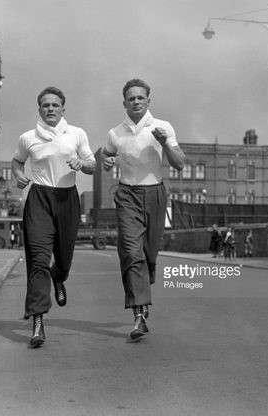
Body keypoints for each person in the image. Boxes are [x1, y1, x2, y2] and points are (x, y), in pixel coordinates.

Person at [101, 79, 186, 341]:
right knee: (129, 251)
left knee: (148, 253)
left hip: (155, 194)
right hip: (127, 194)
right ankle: (139, 315)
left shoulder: (163, 127)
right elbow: (104, 156)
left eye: (140, 98)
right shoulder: (116, 133)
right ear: (124, 102)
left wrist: (166, 143)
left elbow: (180, 163)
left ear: (149, 100)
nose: (136, 102)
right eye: (131, 98)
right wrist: (107, 161)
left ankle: (148, 272)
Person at [12, 86, 96, 348]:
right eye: (45, 105)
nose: (50, 109)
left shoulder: (76, 134)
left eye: (55, 105)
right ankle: (37, 321)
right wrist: (18, 175)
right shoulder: (28, 137)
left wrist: (82, 165)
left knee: (64, 257)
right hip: (38, 199)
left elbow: (92, 165)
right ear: (39, 109)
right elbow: (17, 162)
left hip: (67, 199)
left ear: (63, 108)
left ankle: (58, 276)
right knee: (38, 259)